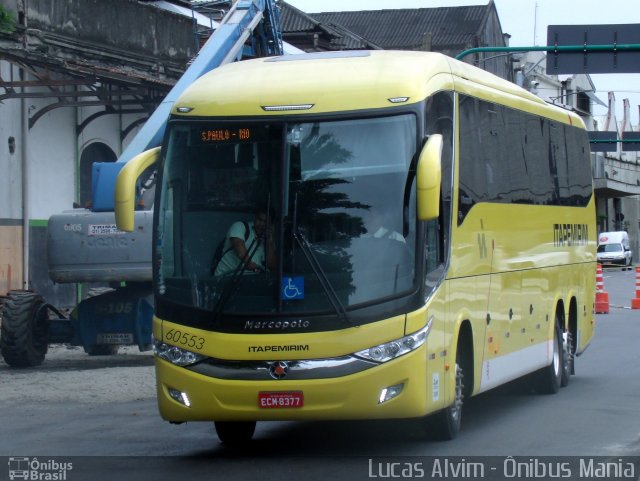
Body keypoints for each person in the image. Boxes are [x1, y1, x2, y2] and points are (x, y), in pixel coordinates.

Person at [214, 210, 276, 276]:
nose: (262, 224)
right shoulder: (240, 226)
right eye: (260, 220)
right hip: (225, 278)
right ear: (255, 218)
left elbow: (272, 267)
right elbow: (238, 244)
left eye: (266, 222)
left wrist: (269, 243)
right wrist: (249, 264)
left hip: (250, 281)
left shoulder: (269, 239)